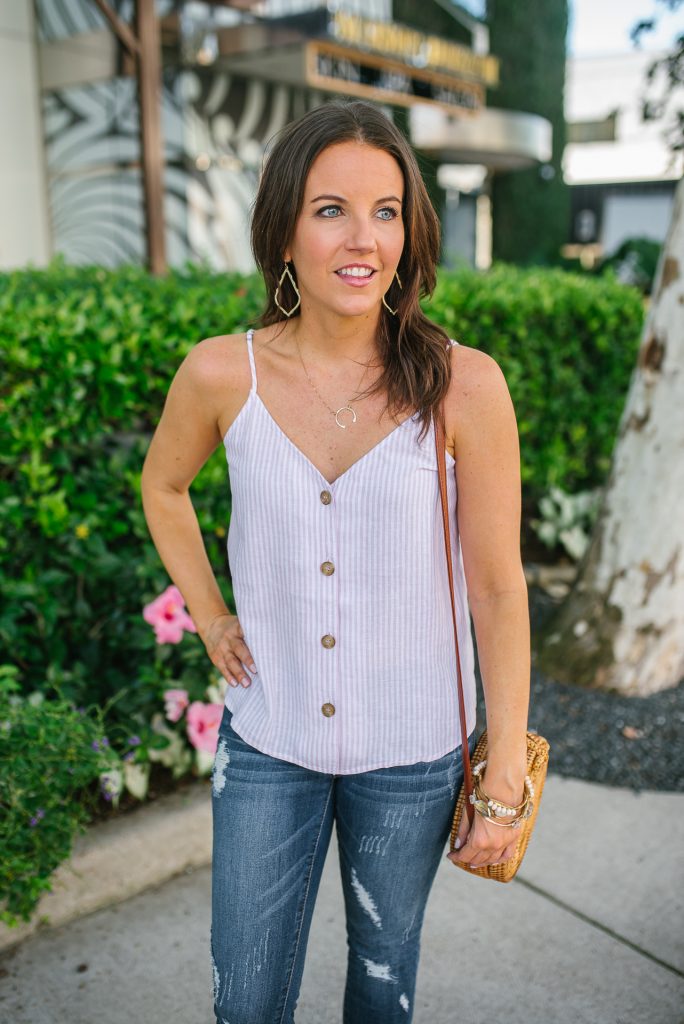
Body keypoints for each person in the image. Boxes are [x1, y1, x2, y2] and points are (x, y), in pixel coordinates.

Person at [140, 99, 530, 1024]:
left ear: (411, 229)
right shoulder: (218, 374)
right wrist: (210, 614)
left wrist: (505, 764)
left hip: (413, 750)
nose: (365, 239)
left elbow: (496, 586)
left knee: (383, 987)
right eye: (331, 210)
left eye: (387, 210)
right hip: (269, 738)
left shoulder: (465, 384)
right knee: (246, 996)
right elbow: (163, 489)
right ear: (282, 232)